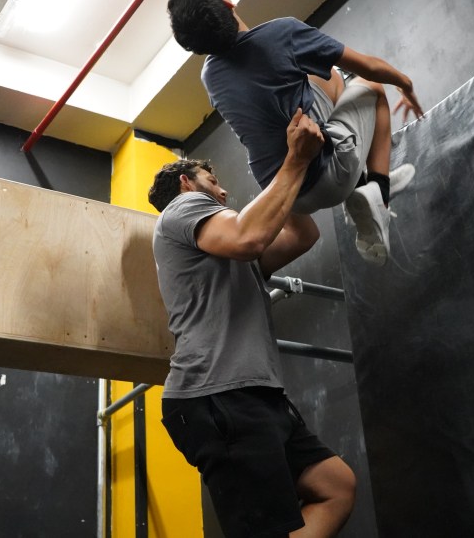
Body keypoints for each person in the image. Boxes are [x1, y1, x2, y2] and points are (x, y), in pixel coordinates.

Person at [148, 109, 356, 537]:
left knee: (336, 486)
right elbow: (248, 236)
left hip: (257, 396)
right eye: (212, 183)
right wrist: (294, 161)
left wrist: (275, 162)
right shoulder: (182, 209)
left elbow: (302, 235)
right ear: (186, 183)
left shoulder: (223, 257)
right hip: (217, 394)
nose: (222, 192)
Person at [167, 0, 424, 265]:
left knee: (328, 77)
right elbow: (369, 66)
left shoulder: (210, 76)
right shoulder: (281, 33)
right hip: (326, 173)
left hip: (284, 197)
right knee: (371, 85)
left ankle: (362, 189)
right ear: (227, 3)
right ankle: (379, 194)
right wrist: (406, 86)